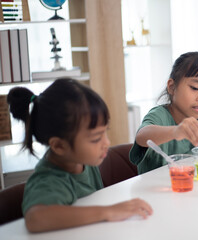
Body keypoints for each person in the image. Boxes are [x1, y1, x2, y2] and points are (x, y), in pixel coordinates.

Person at [7, 78, 152, 233]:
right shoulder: (49, 180)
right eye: (96, 138)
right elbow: (35, 219)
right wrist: (108, 212)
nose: (106, 143)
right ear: (59, 146)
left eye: (105, 132)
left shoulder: (83, 161)